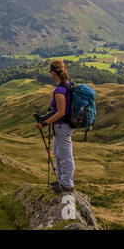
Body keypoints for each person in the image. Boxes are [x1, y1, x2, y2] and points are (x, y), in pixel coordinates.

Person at [35, 59, 75, 192]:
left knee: (65, 155)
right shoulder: (67, 85)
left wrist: (45, 123)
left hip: (62, 126)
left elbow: (61, 112)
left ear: (53, 73)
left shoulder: (59, 90)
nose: (50, 74)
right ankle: (61, 181)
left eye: (50, 71)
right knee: (58, 153)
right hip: (63, 126)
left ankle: (67, 184)